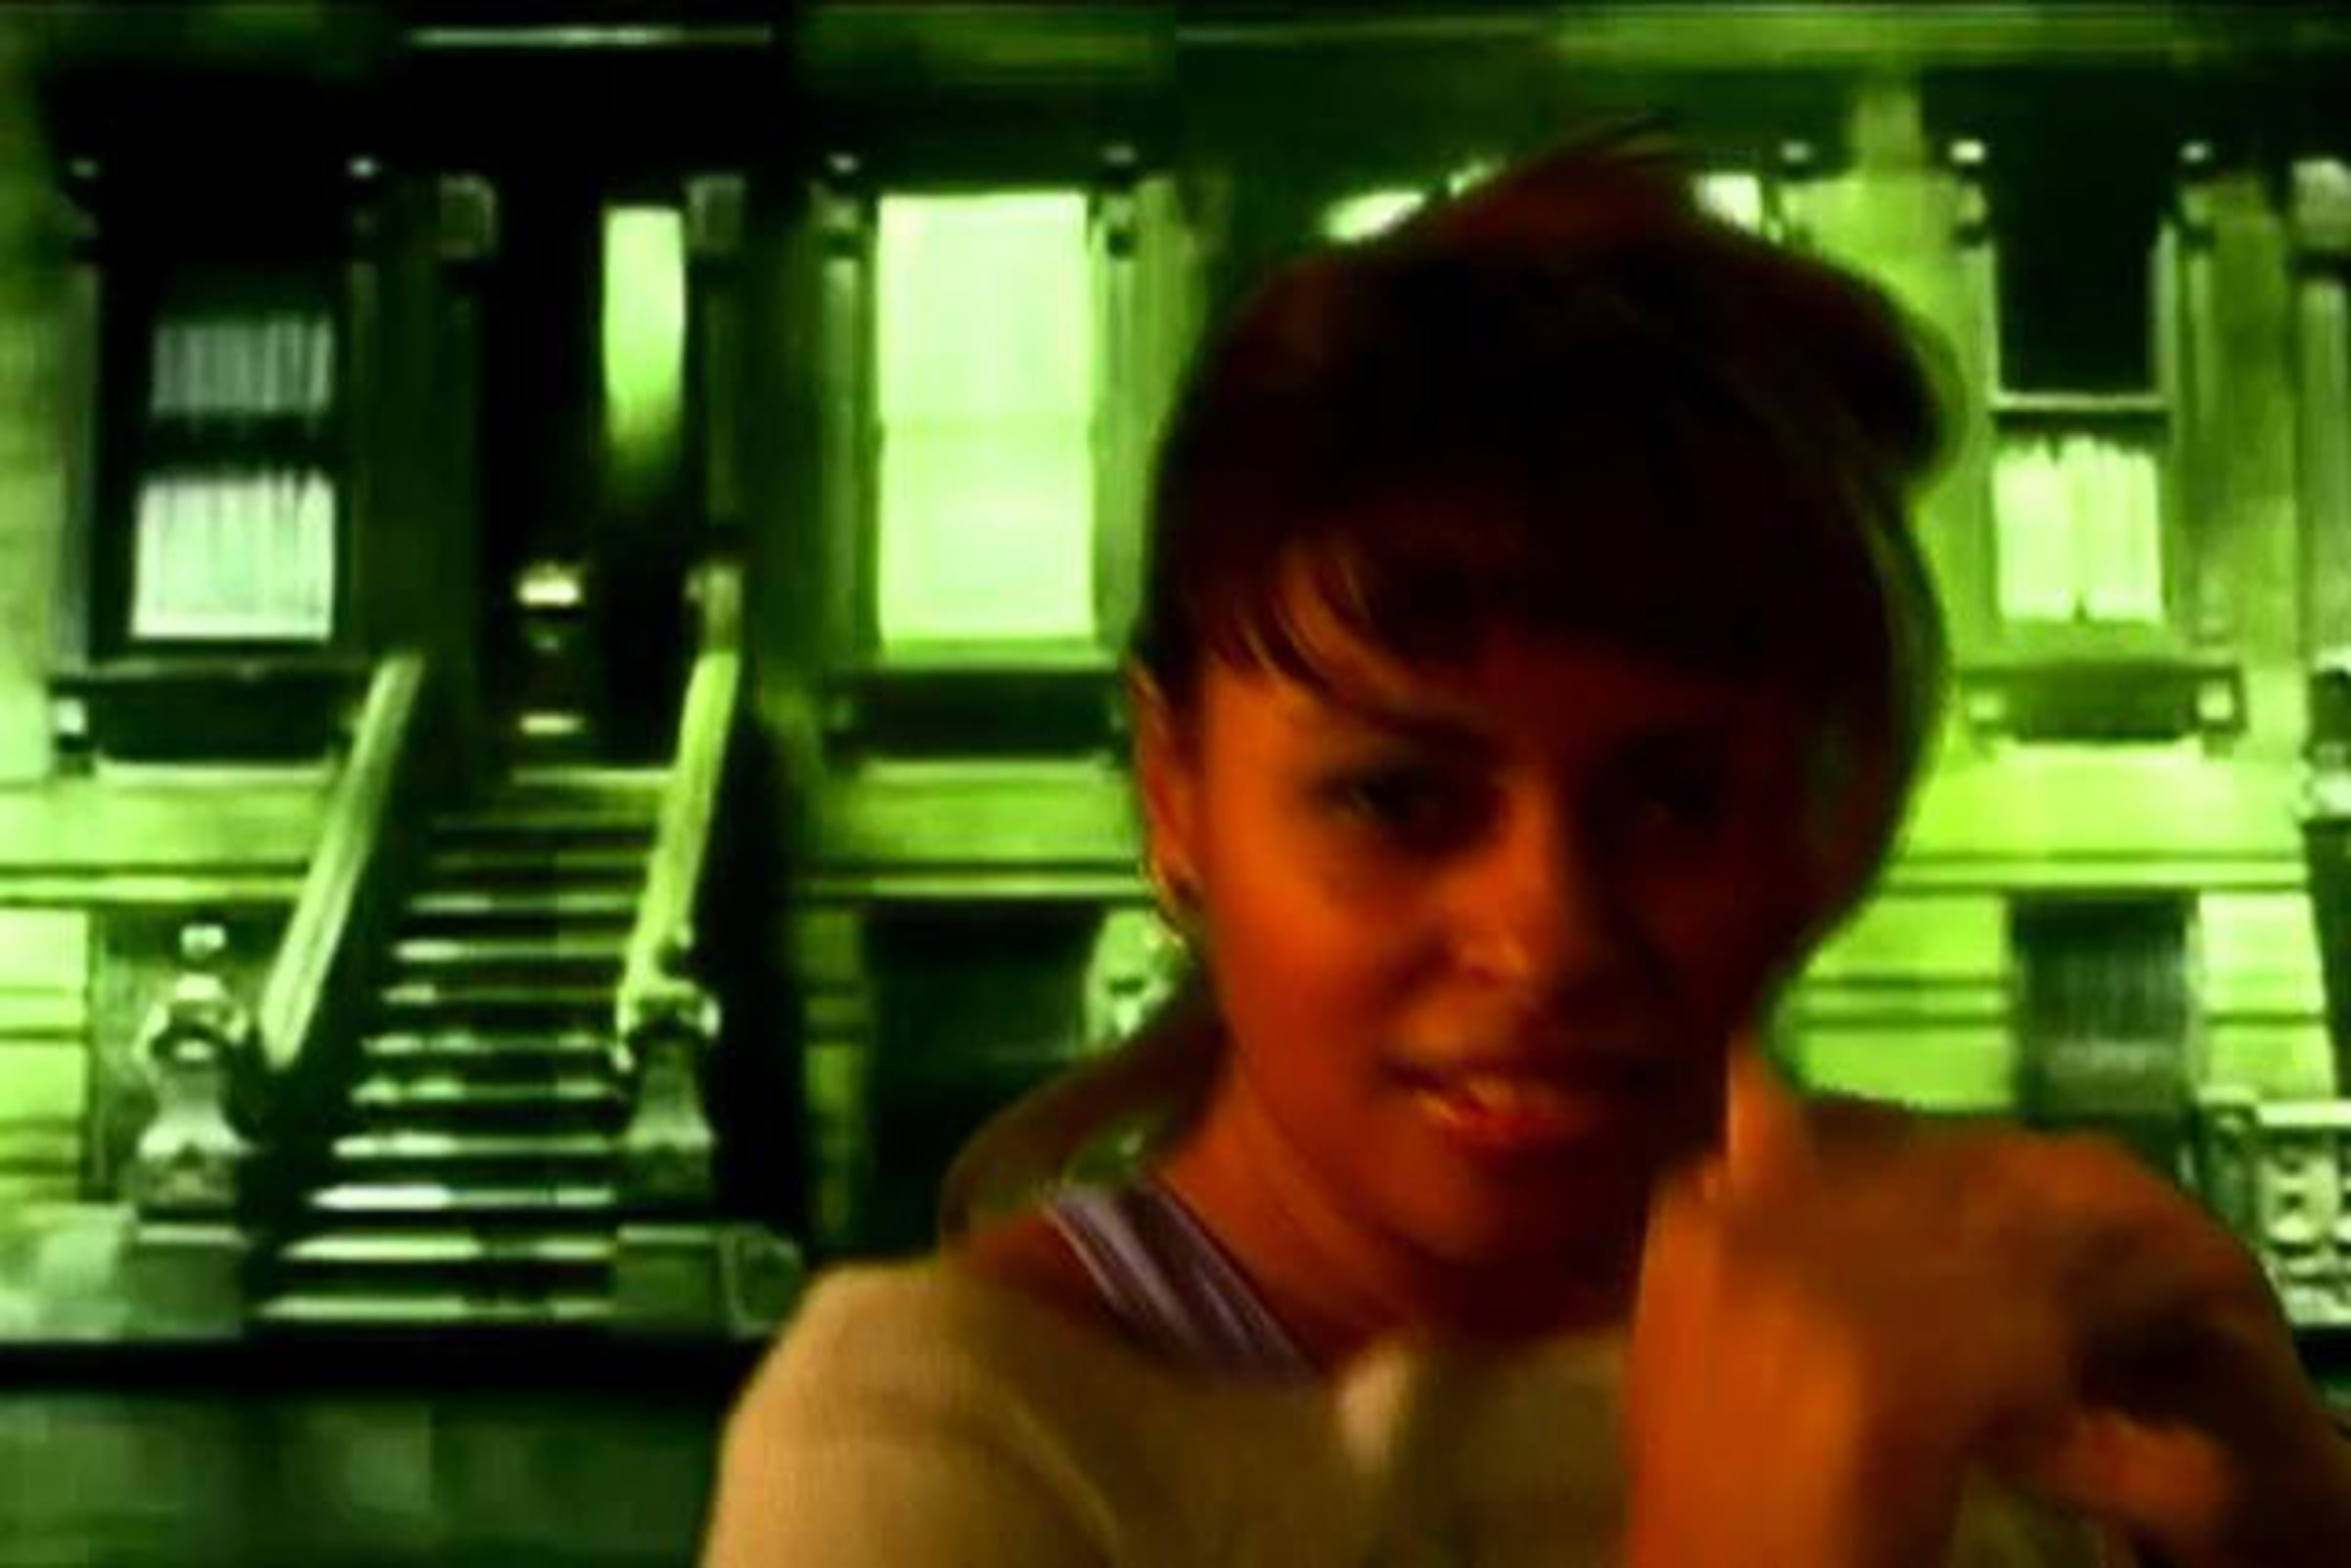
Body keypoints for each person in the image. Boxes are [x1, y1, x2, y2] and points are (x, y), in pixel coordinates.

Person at [701, 131, 2351, 1567]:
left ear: (1822, 812)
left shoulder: (1979, 1354)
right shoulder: (944, 1435)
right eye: (1397, 800)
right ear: (1174, 791)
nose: (1549, 932)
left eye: (1673, 796)